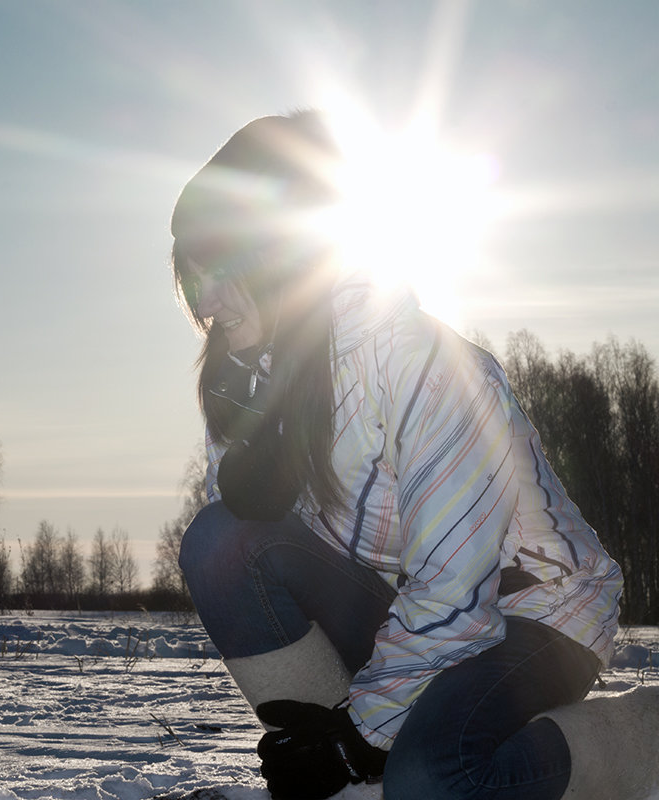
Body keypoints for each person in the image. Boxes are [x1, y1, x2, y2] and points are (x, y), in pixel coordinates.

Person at [170, 110, 658, 800]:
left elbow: (456, 592)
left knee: (433, 780)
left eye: (221, 266)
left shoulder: (419, 362)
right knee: (221, 543)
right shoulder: (247, 379)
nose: (206, 299)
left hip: (531, 611)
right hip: (408, 607)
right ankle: (361, 779)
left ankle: (637, 741)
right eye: (191, 272)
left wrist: (354, 739)